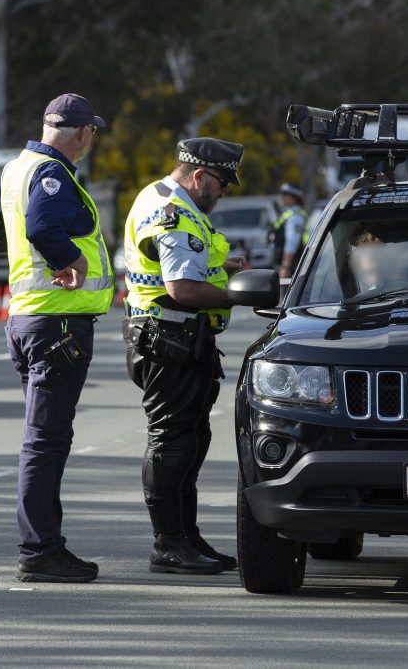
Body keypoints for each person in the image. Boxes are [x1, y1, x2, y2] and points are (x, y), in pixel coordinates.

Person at [0, 93, 114, 584]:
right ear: (80, 134)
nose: (91, 138)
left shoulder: (18, 167)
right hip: (56, 323)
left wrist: (20, 253)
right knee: (45, 443)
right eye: (91, 131)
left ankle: (46, 544)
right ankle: (39, 550)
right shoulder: (52, 174)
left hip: (30, 321)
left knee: (46, 441)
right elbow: (40, 225)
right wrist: (63, 260)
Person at [122, 137, 247, 575]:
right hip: (168, 341)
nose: (224, 192)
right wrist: (235, 295)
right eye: (222, 184)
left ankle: (186, 535)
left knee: (192, 439)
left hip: (179, 339)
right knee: (172, 440)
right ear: (199, 176)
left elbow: (184, 271)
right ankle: (168, 542)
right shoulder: (173, 214)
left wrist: (223, 269)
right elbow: (182, 288)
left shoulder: (165, 198)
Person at [272, 183, 307, 278]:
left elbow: (292, 242)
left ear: (294, 198)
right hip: (288, 262)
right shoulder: (289, 213)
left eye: (285, 195)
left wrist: (285, 266)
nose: (281, 197)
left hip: (292, 264)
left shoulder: (295, 216)